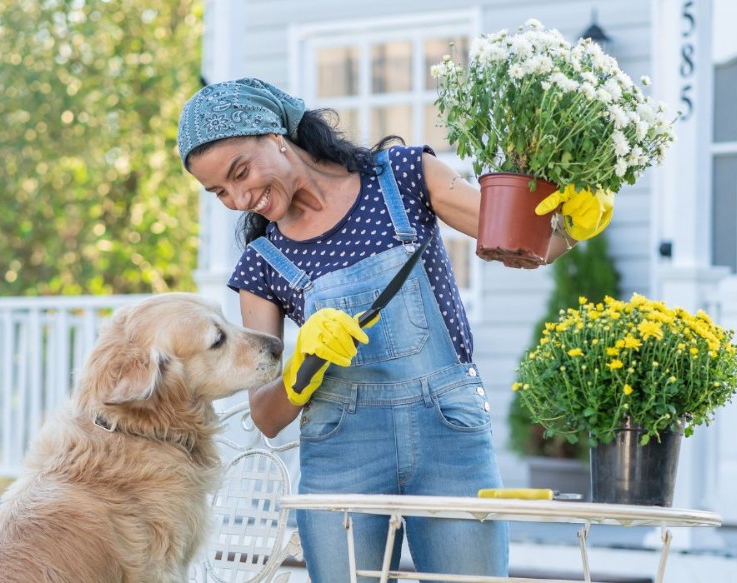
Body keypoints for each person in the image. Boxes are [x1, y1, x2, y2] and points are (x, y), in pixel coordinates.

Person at [177, 77, 606, 581]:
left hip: (450, 433)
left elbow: (527, 247)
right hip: (343, 453)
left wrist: (575, 225)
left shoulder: (403, 177)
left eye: (239, 172)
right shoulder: (263, 262)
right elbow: (267, 416)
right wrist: (300, 366)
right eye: (219, 191)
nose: (236, 198)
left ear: (275, 137)